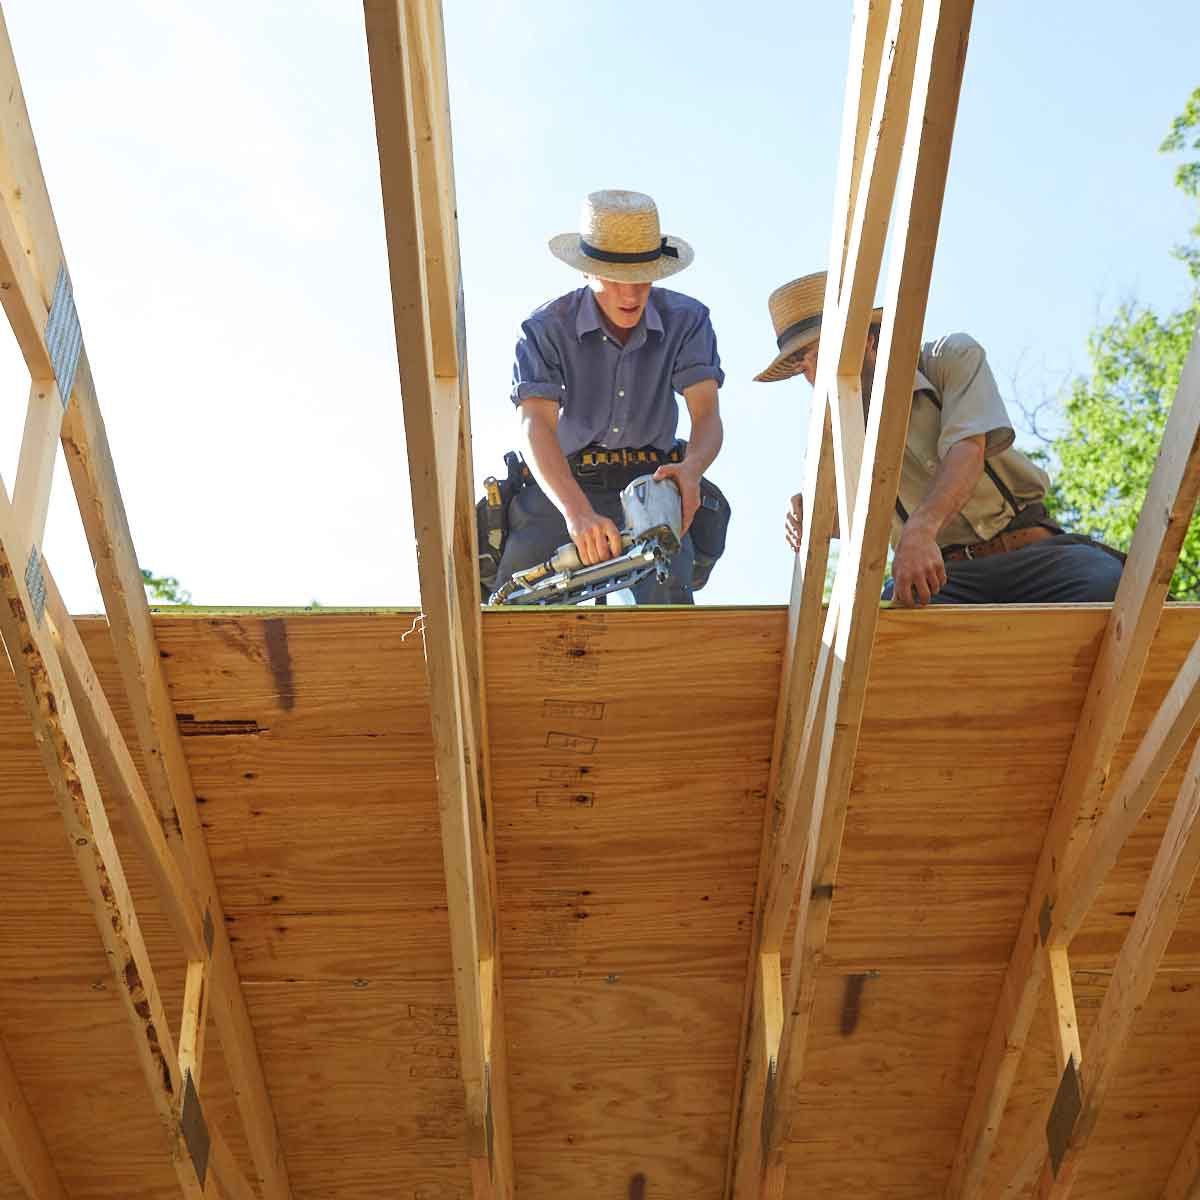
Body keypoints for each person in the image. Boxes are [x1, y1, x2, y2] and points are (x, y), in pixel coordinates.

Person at [755, 272, 1123, 606]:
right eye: (802, 367)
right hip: (944, 581)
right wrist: (810, 512)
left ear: (867, 339)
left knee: (1105, 587)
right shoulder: (834, 427)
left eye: (818, 356)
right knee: (879, 636)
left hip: (1034, 555)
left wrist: (920, 529)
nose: (812, 377)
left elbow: (968, 449)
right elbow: (844, 521)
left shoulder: (950, 358)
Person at [493, 189, 725, 604]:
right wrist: (575, 511)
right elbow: (535, 425)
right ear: (585, 271)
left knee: (668, 598)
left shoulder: (689, 321)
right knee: (512, 600)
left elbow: (706, 413)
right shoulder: (544, 329)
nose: (631, 294)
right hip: (563, 483)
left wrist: (690, 470)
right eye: (615, 278)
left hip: (652, 481)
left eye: (642, 277)